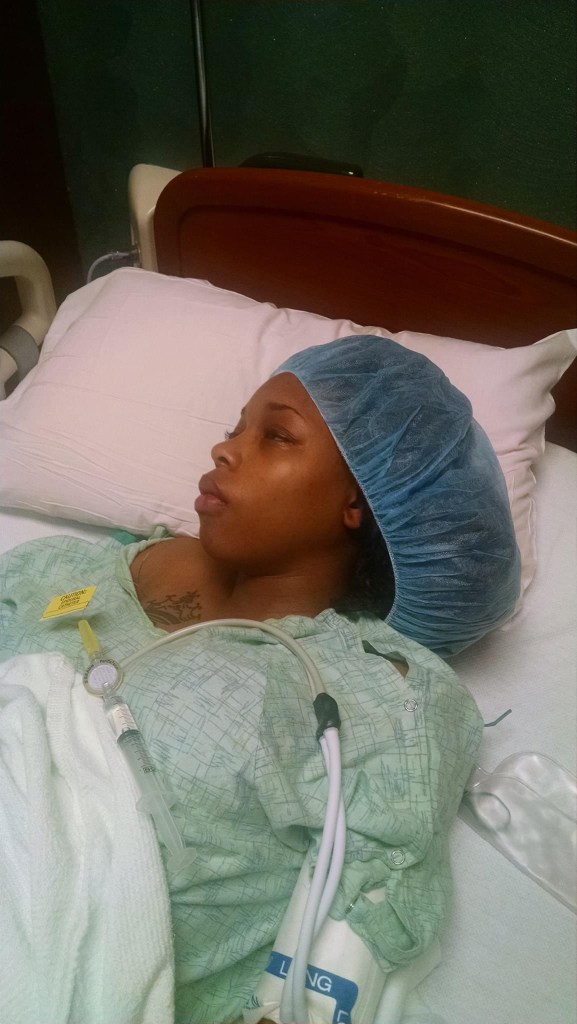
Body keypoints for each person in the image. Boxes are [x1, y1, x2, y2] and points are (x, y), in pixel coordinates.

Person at [0, 336, 520, 1024]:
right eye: (233, 428)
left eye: (276, 436)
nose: (223, 449)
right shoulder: (80, 565)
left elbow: (371, 904)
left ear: (357, 502)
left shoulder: (378, 688)